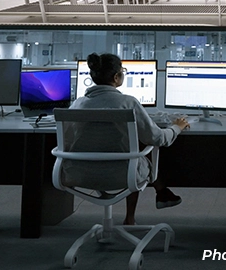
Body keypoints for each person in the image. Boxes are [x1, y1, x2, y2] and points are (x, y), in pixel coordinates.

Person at [70, 52, 190, 225]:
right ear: (117, 76)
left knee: (130, 148)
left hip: (80, 173)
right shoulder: (128, 103)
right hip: (121, 173)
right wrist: (177, 127)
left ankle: (137, 212)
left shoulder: (77, 105)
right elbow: (158, 139)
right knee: (135, 151)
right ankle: (156, 195)